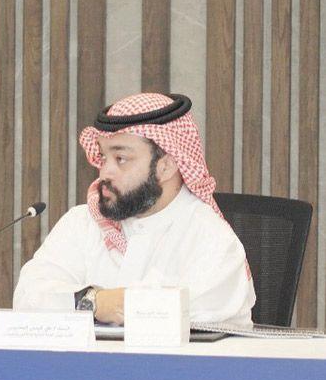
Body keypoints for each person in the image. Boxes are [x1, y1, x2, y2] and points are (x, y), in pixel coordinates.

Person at [13, 93, 254, 328]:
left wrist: (110, 304)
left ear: (166, 167)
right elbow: (28, 296)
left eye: (121, 159)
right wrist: (96, 301)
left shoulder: (210, 236)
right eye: (103, 157)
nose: (105, 172)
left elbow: (183, 312)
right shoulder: (81, 222)